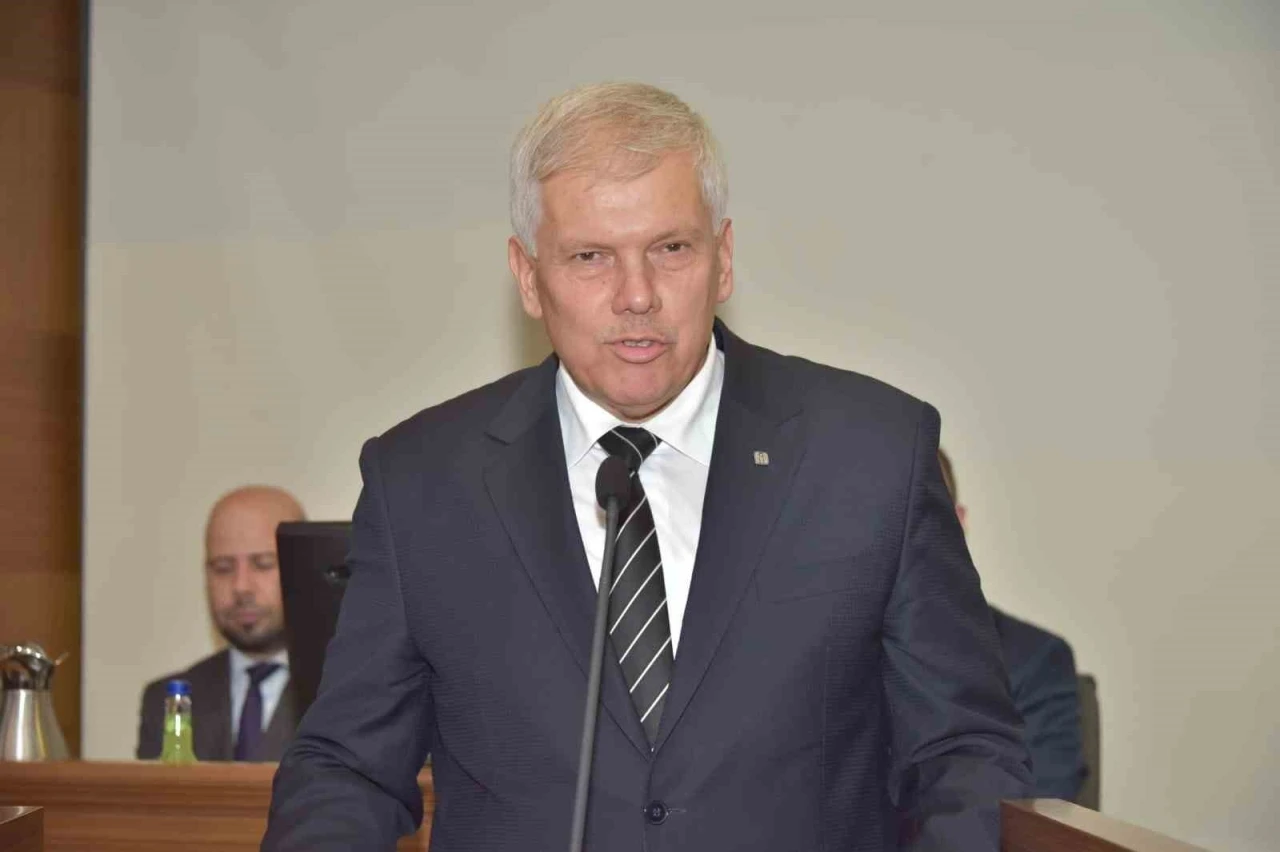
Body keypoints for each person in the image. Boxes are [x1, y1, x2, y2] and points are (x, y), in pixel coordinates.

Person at [263, 82, 1030, 851]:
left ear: (723, 261)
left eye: (671, 249)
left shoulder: (870, 454)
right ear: (528, 276)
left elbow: (963, 757)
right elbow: (348, 770)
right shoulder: (422, 483)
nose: (636, 296)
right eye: (590, 257)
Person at [937, 448, 1088, 801]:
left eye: (921, 514)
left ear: (958, 522)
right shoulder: (821, 659)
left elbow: (1038, 817)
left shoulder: (1033, 661)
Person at [137, 485, 305, 762]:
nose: (240, 587)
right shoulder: (167, 700)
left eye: (263, 564)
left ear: (304, 566)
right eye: (223, 568)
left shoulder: (349, 692)